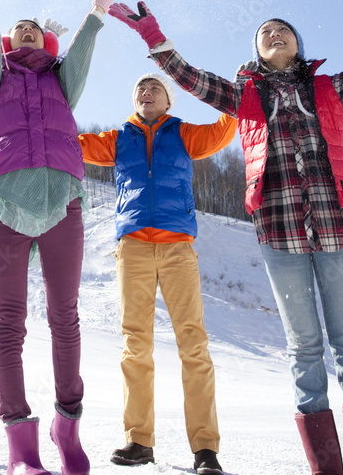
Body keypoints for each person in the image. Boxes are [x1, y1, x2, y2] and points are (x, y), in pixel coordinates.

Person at [110, 1, 343, 475]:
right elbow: (187, 75)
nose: (274, 34)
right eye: (265, 31)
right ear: (255, 49)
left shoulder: (327, 87)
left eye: (283, 30)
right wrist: (150, 31)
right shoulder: (245, 96)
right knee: (304, 347)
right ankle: (327, 468)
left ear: (297, 44)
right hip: (278, 229)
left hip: (337, 224)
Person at [0, 0, 136, 475]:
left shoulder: (59, 79)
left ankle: (66, 427)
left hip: (62, 203)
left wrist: (95, 13)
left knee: (64, 317)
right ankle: (20, 448)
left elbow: (83, 55)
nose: (25, 31)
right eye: (18, 28)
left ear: (46, 41)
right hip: (6, 202)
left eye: (34, 28)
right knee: (10, 321)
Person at [78, 73, 236, 473]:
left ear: (169, 101)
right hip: (132, 248)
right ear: (135, 101)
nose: (147, 93)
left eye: (155, 89)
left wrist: (235, 92)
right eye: (140, 90)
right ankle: (139, 440)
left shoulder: (183, 134)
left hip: (178, 247)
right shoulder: (119, 139)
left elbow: (223, 129)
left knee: (193, 344)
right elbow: (67, 142)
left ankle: (205, 449)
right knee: (136, 345)